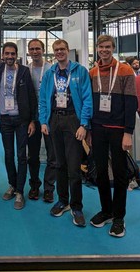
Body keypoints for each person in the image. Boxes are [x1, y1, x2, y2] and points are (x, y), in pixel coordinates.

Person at [39, 39, 92, 227]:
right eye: (56, 50)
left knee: (74, 166)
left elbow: (87, 99)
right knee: (58, 163)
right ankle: (63, 201)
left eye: (62, 49)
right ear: (53, 52)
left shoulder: (80, 71)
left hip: (73, 120)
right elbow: (43, 99)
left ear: (68, 50)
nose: (59, 52)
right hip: (54, 120)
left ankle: (76, 206)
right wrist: (43, 121)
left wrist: (84, 124)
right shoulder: (50, 74)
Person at [89, 34, 137, 238]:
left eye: (108, 47)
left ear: (113, 48)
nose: (104, 50)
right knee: (100, 172)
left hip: (118, 130)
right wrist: (89, 130)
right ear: (97, 49)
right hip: (98, 129)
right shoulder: (92, 72)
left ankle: (119, 217)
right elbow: (90, 102)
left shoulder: (125, 70)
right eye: (101, 47)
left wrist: (128, 132)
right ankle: (106, 210)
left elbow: (131, 103)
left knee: (119, 174)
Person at [0, 42, 37, 210]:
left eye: (12, 54)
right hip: (5, 120)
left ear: (16, 55)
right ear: (2, 55)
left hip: (22, 120)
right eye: (7, 53)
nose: (10, 56)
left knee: (21, 155)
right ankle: (12, 184)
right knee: (8, 155)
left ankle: (20, 191)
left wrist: (32, 120)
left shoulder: (24, 71)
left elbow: (31, 96)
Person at [27, 38, 55, 203]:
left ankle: (49, 188)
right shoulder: (26, 70)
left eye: (38, 48)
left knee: (52, 155)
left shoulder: (52, 69)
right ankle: (34, 185)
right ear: (28, 51)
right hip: (32, 119)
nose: (35, 51)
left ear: (43, 50)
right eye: (32, 49)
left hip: (49, 118)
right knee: (32, 155)